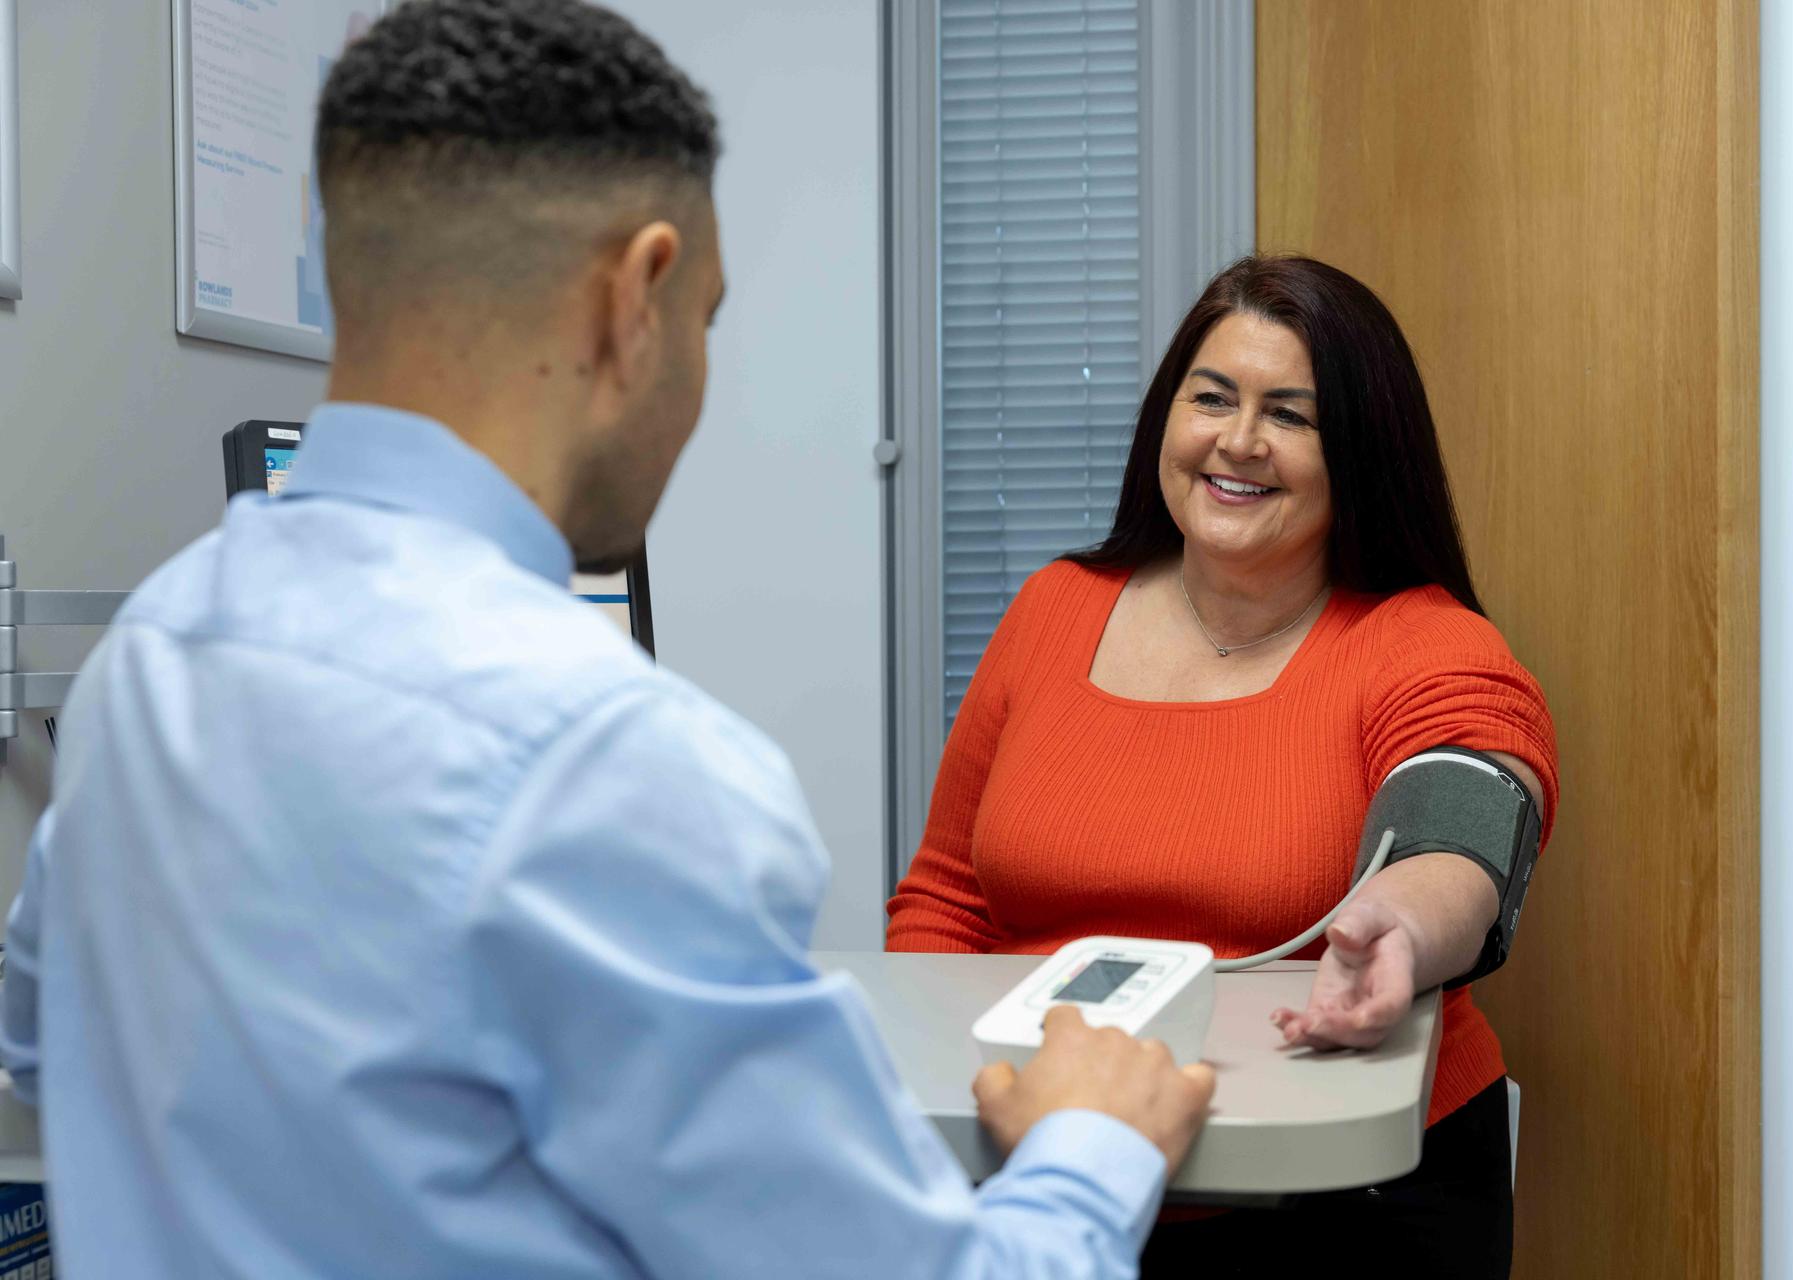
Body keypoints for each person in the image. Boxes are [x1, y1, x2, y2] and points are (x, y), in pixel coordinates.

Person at [0, 3, 1214, 1276]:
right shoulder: (611, 763)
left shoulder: (151, 656)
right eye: (707, 315)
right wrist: (1090, 1143)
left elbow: (42, 1041)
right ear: (635, 296)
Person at [887, 255, 1559, 1276]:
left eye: (1291, 414)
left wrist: (1405, 926)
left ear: (1361, 454)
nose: (1237, 441)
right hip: (1043, 1155)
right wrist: (929, 1105)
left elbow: (1466, 815)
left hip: (1341, 1203)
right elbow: (946, 898)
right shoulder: (1054, 608)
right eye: (1212, 398)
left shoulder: (1424, 640)